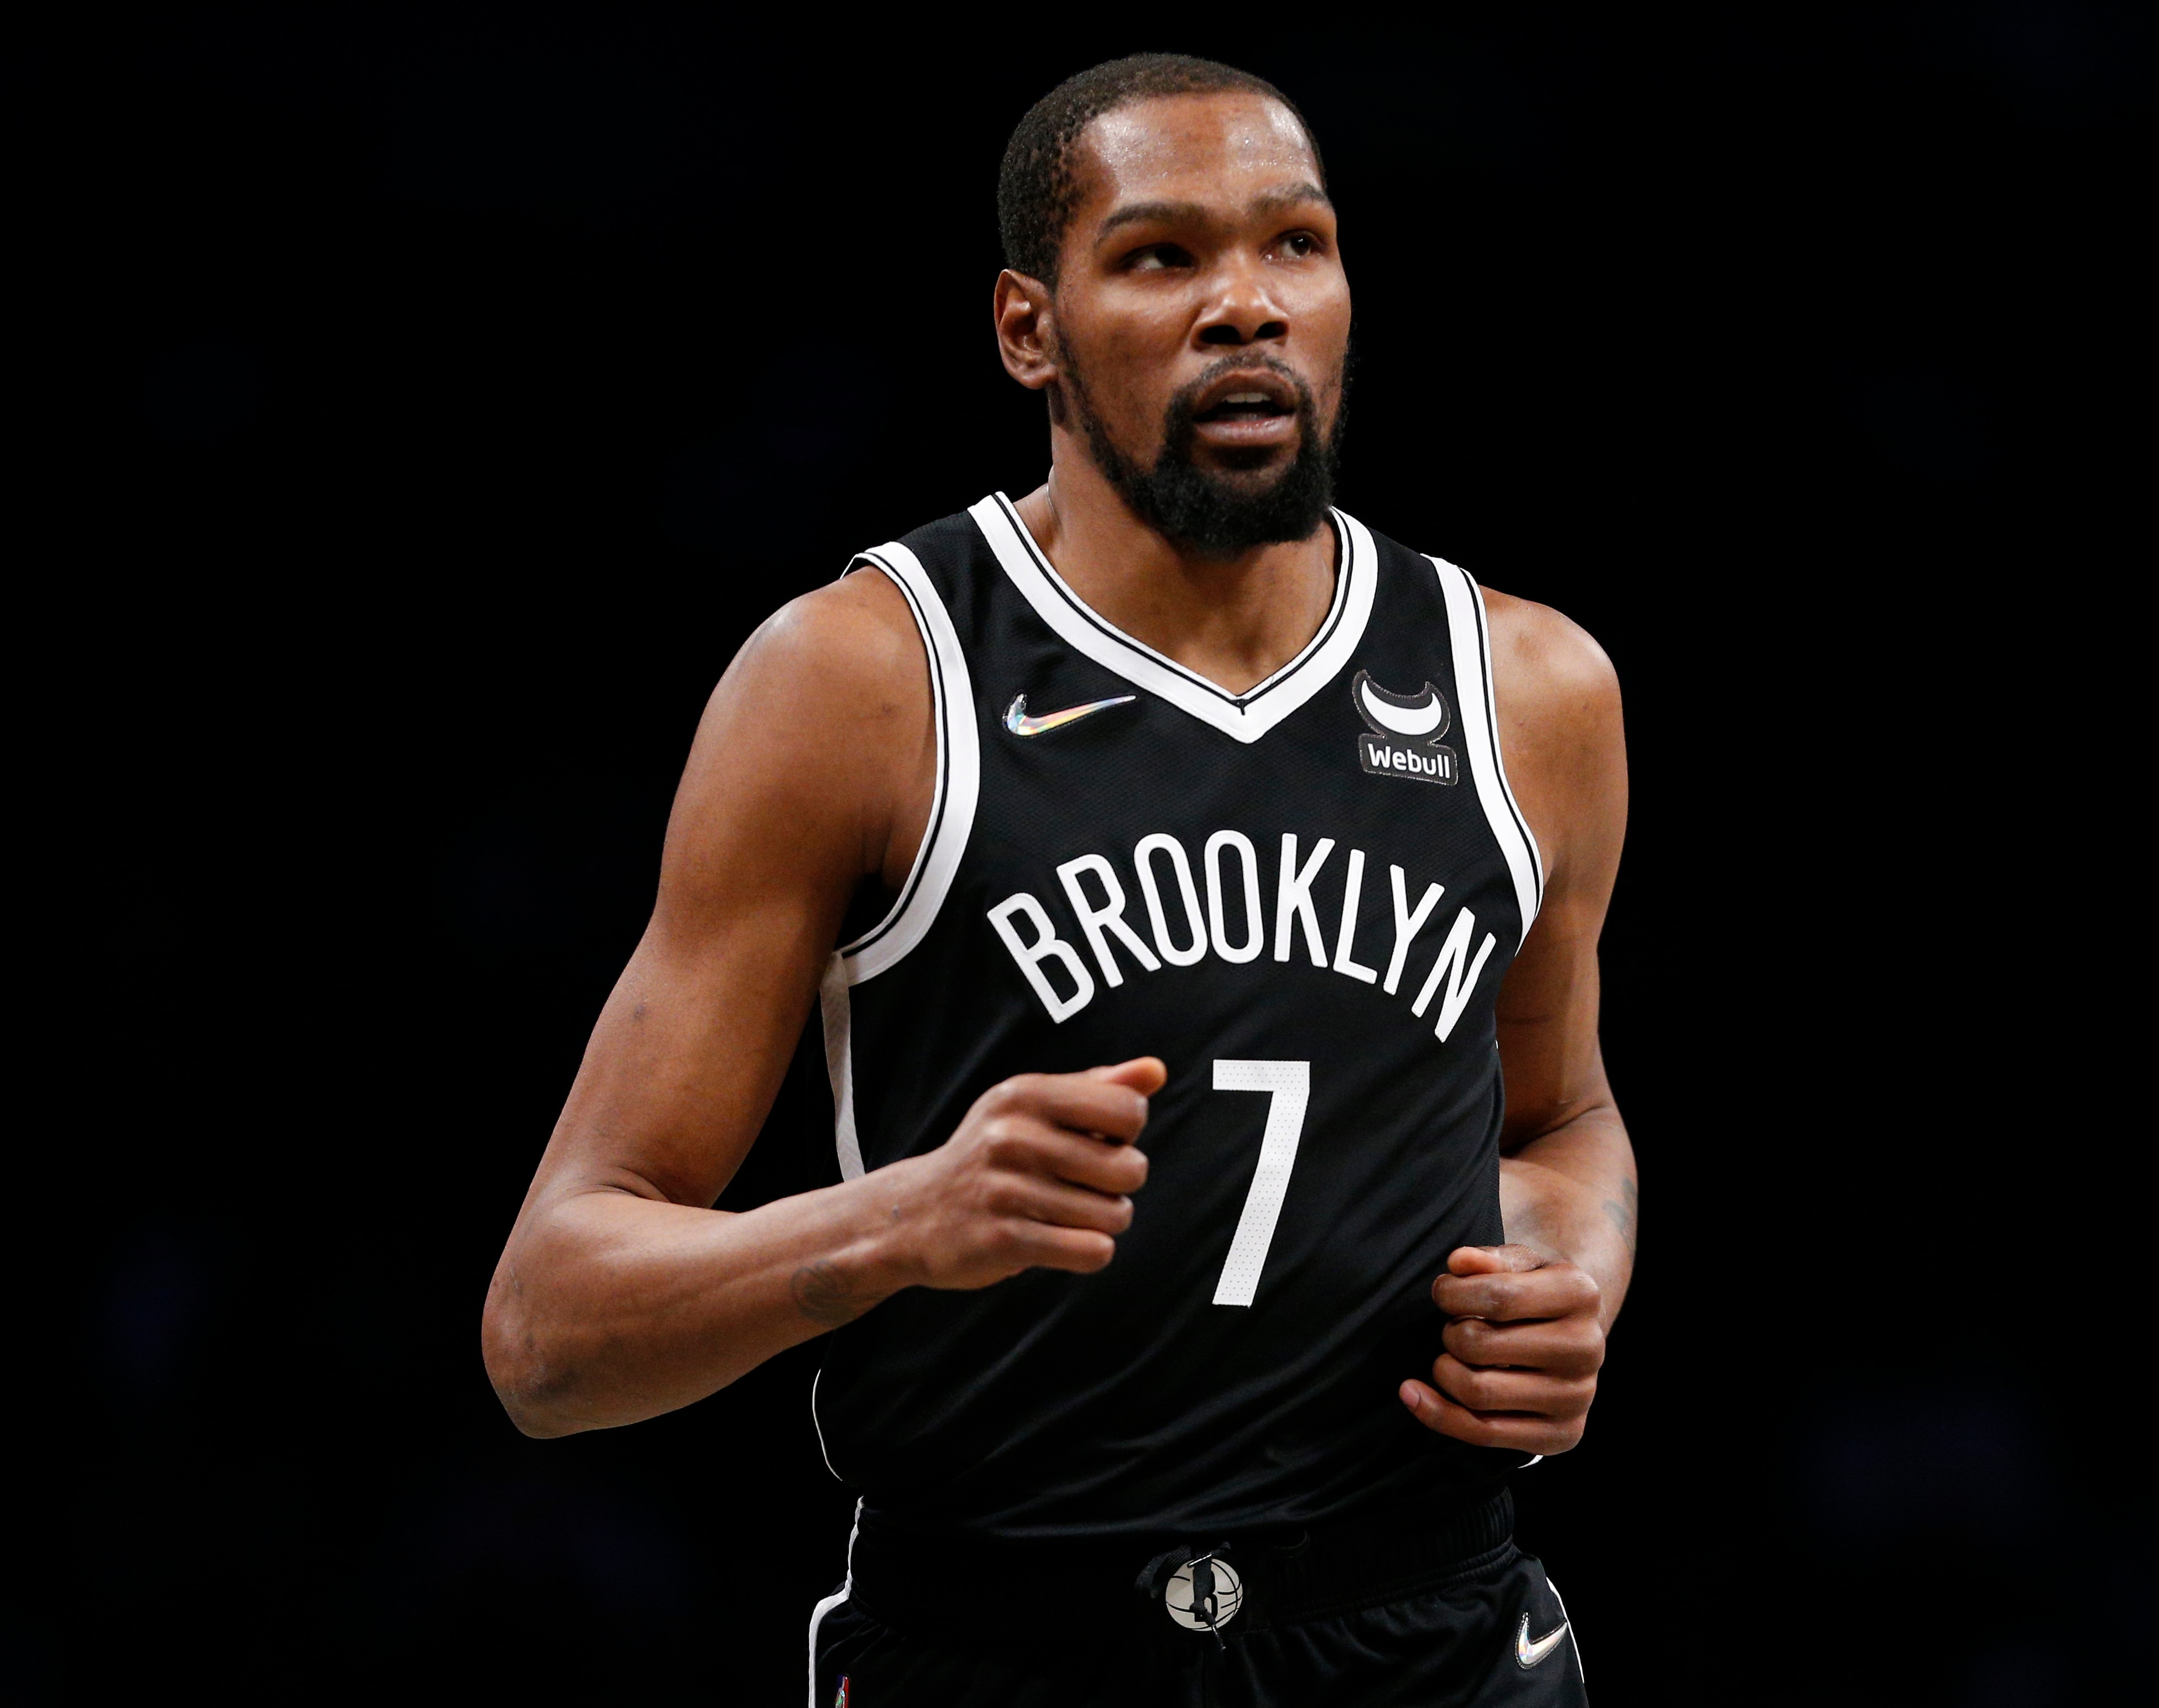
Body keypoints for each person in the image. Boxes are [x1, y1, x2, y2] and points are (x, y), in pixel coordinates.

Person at [482, 52, 1634, 1705]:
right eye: (1163, 256)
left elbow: (1564, 1124)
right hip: (1004, 1641)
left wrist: (1572, 1273)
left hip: (1432, 1632)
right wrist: (900, 1220)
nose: (1247, 305)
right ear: (1029, 329)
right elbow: (547, 1336)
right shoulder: (863, 677)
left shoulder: (1530, 687)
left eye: (1296, 245)